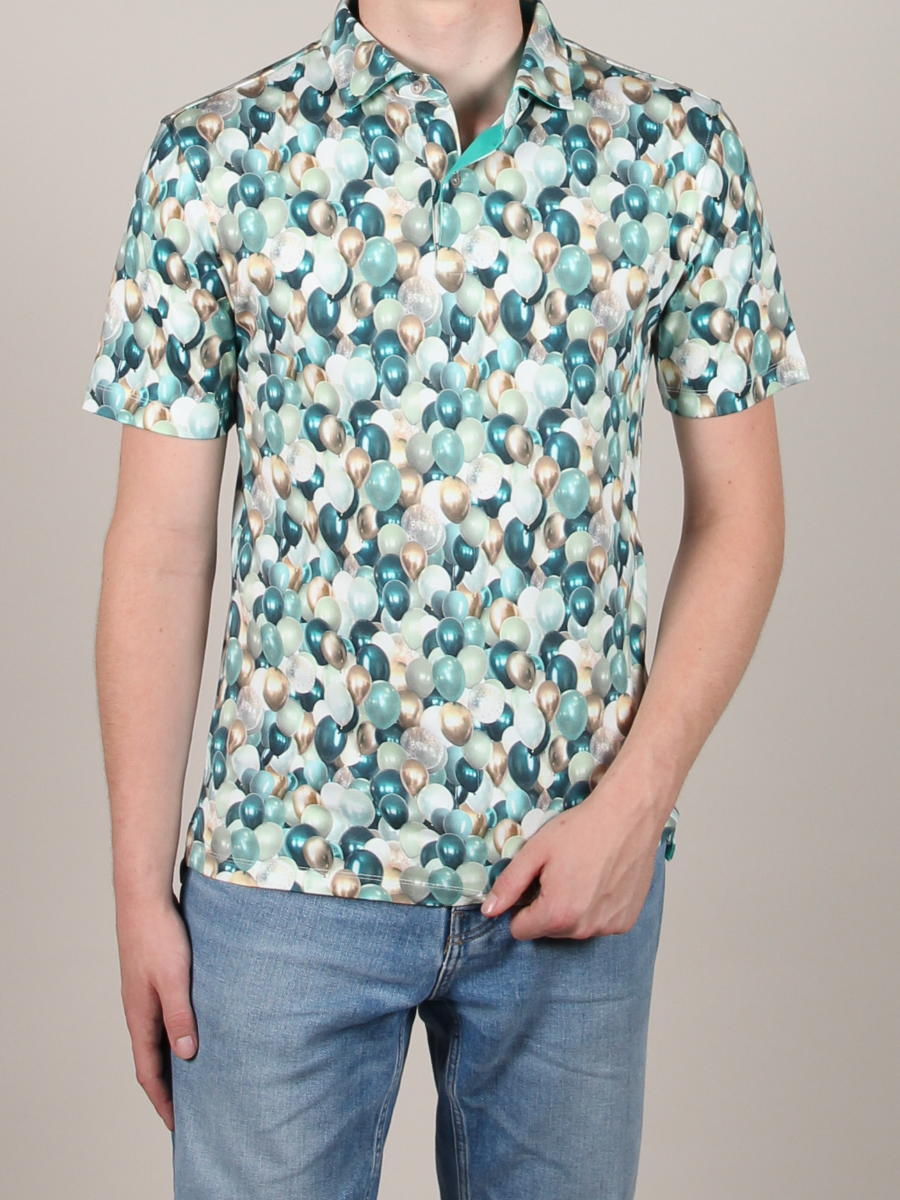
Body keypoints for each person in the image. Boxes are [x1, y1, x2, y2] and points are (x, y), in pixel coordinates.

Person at [80, 0, 812, 1195]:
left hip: (570, 878)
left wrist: (637, 807)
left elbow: (744, 516)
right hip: (280, 880)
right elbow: (160, 543)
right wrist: (134, 893)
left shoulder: (671, 146)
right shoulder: (216, 153)